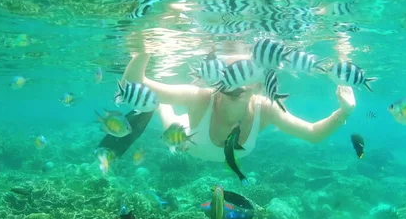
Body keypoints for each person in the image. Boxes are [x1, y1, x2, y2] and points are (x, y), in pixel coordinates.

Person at [98, 38, 356, 162]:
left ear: (258, 82)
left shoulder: (265, 109)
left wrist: (345, 110)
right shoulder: (201, 98)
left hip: (204, 145)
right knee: (170, 121)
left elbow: (312, 133)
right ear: (216, 78)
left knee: (166, 108)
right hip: (188, 140)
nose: (237, 82)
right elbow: (135, 83)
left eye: (245, 73)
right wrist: (148, 45)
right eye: (229, 74)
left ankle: (159, 101)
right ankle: (157, 104)